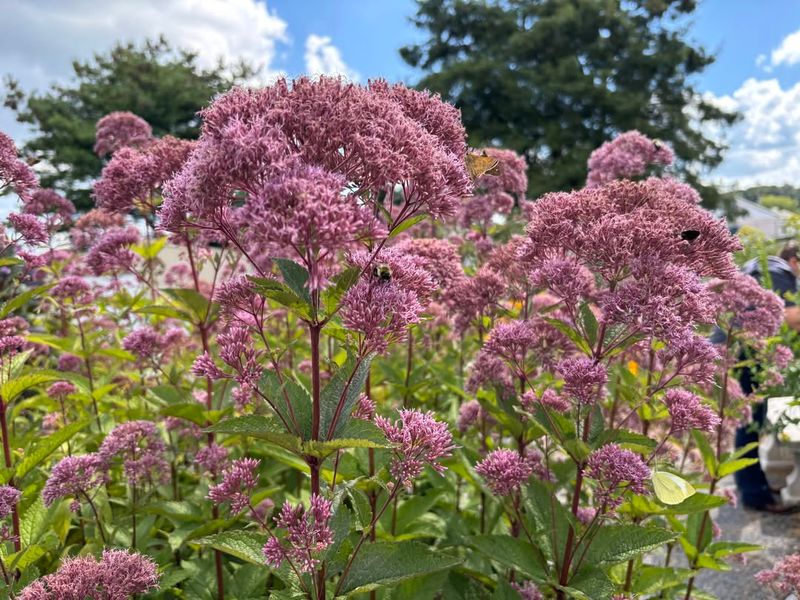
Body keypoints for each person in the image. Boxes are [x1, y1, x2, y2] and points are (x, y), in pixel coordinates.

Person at [734, 241, 800, 512]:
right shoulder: (778, 271)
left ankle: (756, 485)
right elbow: (791, 318)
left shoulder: (762, 269)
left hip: (744, 350)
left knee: (751, 420)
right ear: (794, 260)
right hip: (752, 353)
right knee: (750, 422)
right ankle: (754, 494)